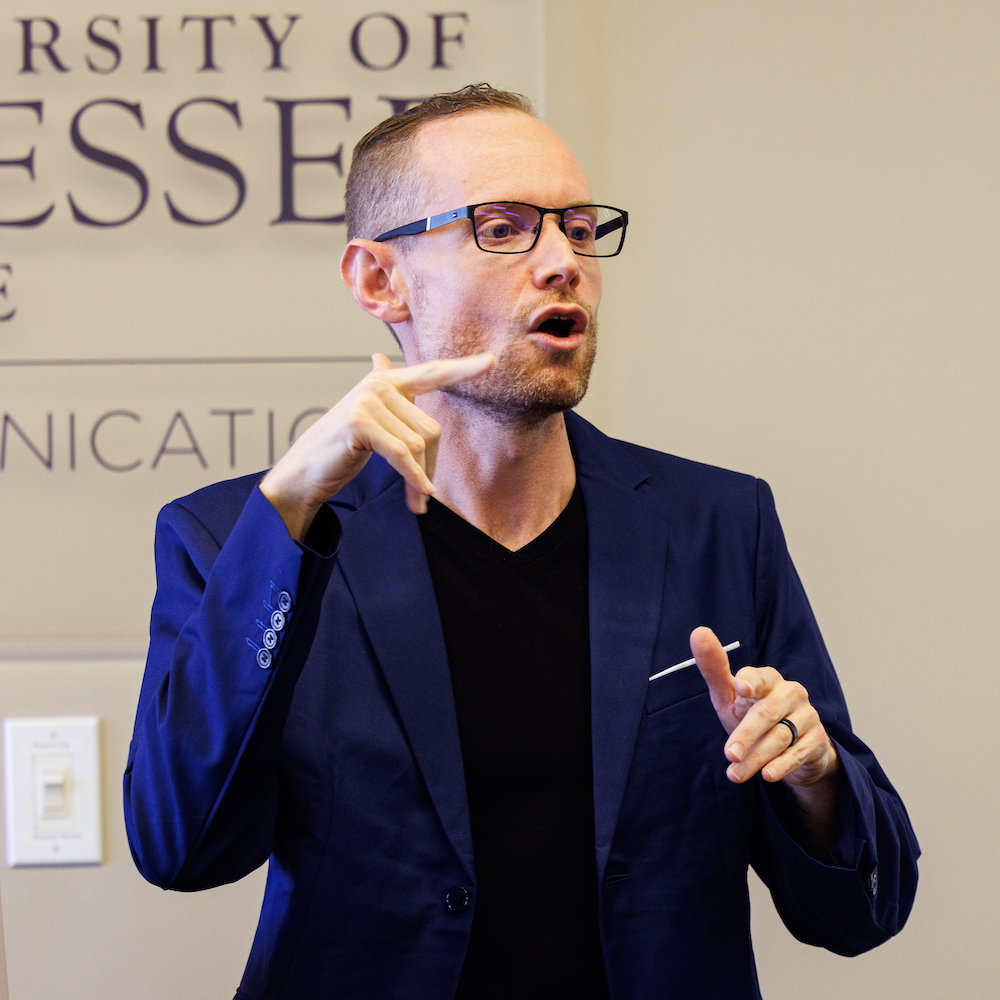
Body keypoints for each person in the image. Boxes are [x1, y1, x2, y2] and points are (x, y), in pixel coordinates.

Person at [124, 84, 919, 1000]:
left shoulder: (718, 526)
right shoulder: (238, 537)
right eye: (503, 228)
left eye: (577, 227)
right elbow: (181, 847)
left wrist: (814, 779)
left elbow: (864, 909)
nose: (561, 262)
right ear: (379, 278)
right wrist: (293, 507)